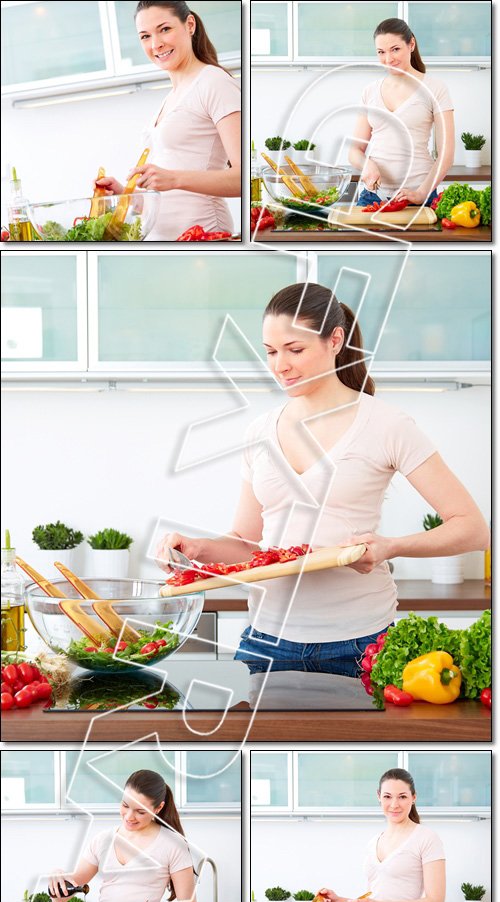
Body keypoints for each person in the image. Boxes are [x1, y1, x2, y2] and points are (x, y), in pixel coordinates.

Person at [157, 282, 489, 679]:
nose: (280, 365)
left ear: (335, 340)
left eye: (295, 350)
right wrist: (199, 548)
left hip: (362, 643)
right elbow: (247, 544)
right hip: (266, 641)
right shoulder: (260, 432)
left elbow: (472, 528)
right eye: (271, 352)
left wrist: (391, 547)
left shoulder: (387, 424)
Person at [97, 1, 241, 240]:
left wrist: (173, 177)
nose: (156, 44)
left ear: (190, 25)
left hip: (203, 232)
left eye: (164, 29)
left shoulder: (214, 82)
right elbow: (170, 196)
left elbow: (243, 179)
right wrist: (124, 195)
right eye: (145, 36)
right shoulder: (170, 98)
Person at [48, 770, 196, 902]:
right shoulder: (103, 840)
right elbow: (65, 893)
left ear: (158, 808)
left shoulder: (173, 844)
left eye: (140, 811)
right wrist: (57, 876)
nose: (129, 816)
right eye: (125, 805)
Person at [319, 768, 446, 902]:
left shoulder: (426, 838)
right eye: (387, 796)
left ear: (413, 797)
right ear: (379, 797)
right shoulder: (374, 842)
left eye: (402, 797)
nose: (394, 804)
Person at [349, 18, 455, 207]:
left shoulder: (435, 88)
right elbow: (355, 150)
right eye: (381, 52)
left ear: (411, 44)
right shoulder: (369, 91)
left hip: (418, 195)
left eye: (395, 49)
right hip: (374, 197)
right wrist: (367, 165)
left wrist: (422, 193)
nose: (388, 59)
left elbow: (446, 152)